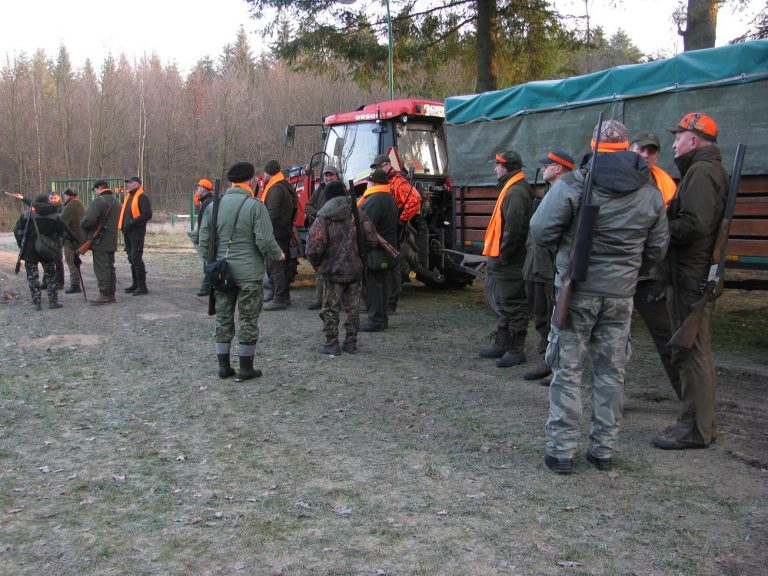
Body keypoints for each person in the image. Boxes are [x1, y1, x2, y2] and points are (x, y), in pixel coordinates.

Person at [530, 120, 669, 474]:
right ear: (626, 147)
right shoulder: (650, 190)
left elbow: (541, 228)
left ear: (593, 145)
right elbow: (656, 249)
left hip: (576, 292)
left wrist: (565, 251)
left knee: (568, 371)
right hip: (620, 296)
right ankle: (603, 450)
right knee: (611, 373)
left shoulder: (576, 183)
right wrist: (627, 271)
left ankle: (561, 451)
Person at [652, 112, 728, 450]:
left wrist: (657, 230)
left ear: (693, 140)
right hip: (692, 271)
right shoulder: (707, 170)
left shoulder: (700, 171)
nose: (674, 143)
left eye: (679, 136)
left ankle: (695, 430)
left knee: (690, 350)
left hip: (689, 273)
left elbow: (694, 225)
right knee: (693, 349)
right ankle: (699, 425)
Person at [199, 161, 285, 381]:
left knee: (223, 318)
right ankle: (246, 368)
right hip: (249, 275)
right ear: (251, 180)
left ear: (230, 182)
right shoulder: (255, 206)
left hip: (221, 274)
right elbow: (265, 241)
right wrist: (278, 255)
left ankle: (223, 367)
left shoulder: (212, 206)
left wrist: (209, 266)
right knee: (248, 319)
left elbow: (204, 241)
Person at [629, 131, 682, 399]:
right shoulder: (619, 181)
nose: (647, 155)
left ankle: (688, 397)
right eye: (642, 150)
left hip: (650, 275)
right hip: (621, 273)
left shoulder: (665, 183)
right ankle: (612, 400)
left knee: (667, 337)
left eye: (652, 151)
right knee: (614, 341)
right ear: (631, 150)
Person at [305, 181, 377, 354]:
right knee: (353, 308)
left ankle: (331, 342)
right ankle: (351, 341)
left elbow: (313, 248)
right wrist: (360, 256)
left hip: (332, 271)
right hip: (355, 269)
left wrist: (318, 265)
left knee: (330, 307)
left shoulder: (323, 219)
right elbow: (372, 239)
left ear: (327, 196)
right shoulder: (358, 214)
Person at [479, 150, 534, 368]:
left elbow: (515, 229)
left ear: (507, 167)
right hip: (506, 259)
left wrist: (503, 256)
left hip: (511, 260)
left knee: (515, 304)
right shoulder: (513, 189)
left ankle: (516, 349)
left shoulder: (515, 192)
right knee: (504, 302)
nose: (495, 168)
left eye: (498, 165)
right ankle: (502, 344)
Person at [523, 151, 574, 383]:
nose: (543, 169)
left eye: (548, 165)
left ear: (559, 168)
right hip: (539, 263)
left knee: (559, 317)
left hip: (555, 265)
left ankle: (556, 366)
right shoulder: (549, 192)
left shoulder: (568, 193)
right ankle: (547, 359)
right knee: (542, 314)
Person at [370, 153, 422, 312]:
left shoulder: (399, 182)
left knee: (393, 265)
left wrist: (400, 219)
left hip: (395, 227)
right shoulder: (388, 182)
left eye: (379, 167)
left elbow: (415, 201)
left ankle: (390, 302)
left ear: (387, 165)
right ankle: (385, 300)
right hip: (390, 226)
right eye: (376, 168)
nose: (378, 169)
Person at [14, 194, 78, 310]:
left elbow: (17, 230)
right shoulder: (55, 216)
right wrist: (74, 240)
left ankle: (36, 303)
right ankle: (53, 302)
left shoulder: (26, 215)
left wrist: (21, 244)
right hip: (48, 250)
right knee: (51, 276)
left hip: (30, 250)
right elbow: (64, 232)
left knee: (33, 277)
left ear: (36, 204)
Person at [358, 169, 398, 332]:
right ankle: (381, 318)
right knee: (382, 285)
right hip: (386, 249)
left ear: (373, 182)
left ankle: (376, 320)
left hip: (375, 251)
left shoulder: (375, 199)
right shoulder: (388, 197)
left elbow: (366, 226)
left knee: (373, 287)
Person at [304, 166, 342, 310]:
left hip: (337, 234)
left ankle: (336, 302)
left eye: (331, 175)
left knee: (337, 269)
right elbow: (307, 206)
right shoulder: (320, 189)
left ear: (336, 176)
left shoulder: (341, 190)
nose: (328, 178)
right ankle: (319, 300)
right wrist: (320, 213)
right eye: (326, 175)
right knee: (321, 268)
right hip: (321, 233)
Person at [260, 160, 296, 311]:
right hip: (284, 230)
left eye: (265, 173)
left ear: (268, 172)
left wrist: (262, 228)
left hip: (275, 232)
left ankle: (279, 298)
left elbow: (271, 214)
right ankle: (280, 294)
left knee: (276, 265)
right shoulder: (285, 185)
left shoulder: (275, 189)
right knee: (279, 264)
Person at [81, 180, 122, 305]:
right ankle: (111, 294)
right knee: (110, 267)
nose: (95, 192)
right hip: (111, 239)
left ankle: (105, 295)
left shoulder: (99, 201)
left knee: (101, 268)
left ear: (98, 188)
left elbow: (88, 220)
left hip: (99, 240)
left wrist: (82, 224)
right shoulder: (117, 202)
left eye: (94, 190)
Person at [118, 176, 153, 295]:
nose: (128, 184)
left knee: (136, 258)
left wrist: (132, 222)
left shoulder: (143, 197)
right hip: (128, 232)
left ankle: (142, 287)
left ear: (138, 184)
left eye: (130, 182)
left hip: (136, 232)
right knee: (131, 258)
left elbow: (147, 214)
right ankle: (135, 284)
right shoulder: (129, 197)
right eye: (127, 182)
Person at [60, 188, 85, 294]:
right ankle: (75, 283)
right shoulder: (79, 204)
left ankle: (75, 285)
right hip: (78, 237)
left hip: (71, 239)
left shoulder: (71, 205)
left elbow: (63, 221)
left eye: (65, 195)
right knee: (74, 260)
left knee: (71, 261)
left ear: (69, 196)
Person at [193, 178, 214, 296]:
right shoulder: (206, 202)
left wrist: (201, 238)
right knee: (208, 261)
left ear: (204, 189)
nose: (197, 190)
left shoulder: (207, 203)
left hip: (207, 238)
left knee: (208, 261)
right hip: (206, 237)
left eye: (199, 187)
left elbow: (205, 224)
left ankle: (206, 286)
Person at [48, 190, 66, 290]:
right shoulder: (47, 207)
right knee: (47, 260)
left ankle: (60, 282)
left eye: (54, 198)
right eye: (51, 198)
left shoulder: (61, 208)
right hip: (48, 237)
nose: (52, 200)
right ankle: (47, 281)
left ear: (59, 198)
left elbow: (60, 221)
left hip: (58, 238)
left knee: (58, 261)